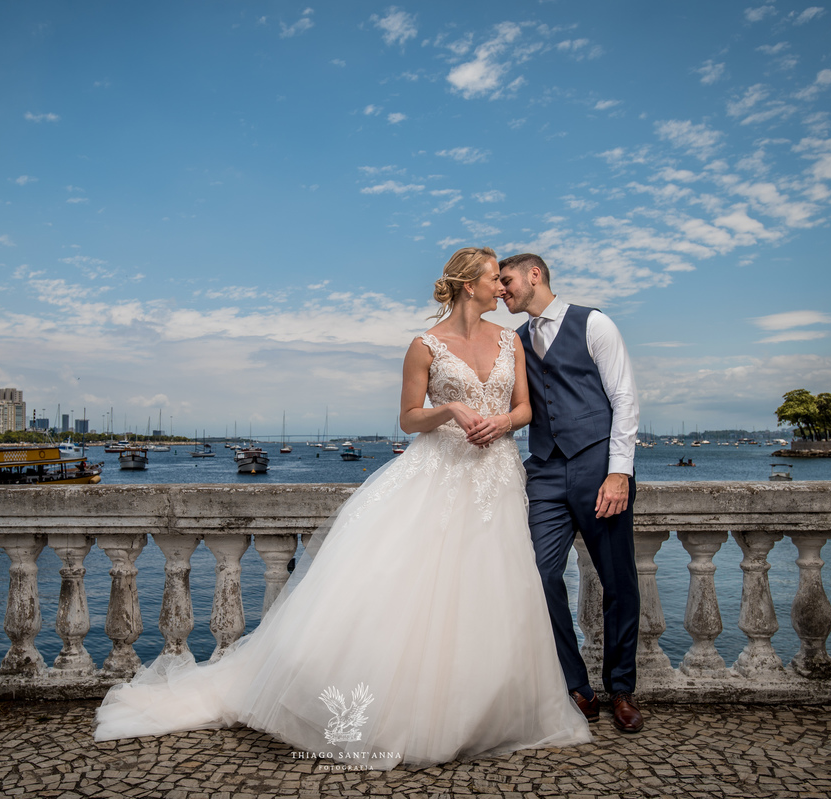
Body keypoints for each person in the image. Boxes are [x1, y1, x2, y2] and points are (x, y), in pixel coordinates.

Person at [93, 247, 590, 769]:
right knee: (420, 594)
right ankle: (414, 713)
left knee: (496, 589)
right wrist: (451, 409)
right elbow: (408, 419)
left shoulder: (509, 340)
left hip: (497, 477)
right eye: (495, 278)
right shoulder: (425, 347)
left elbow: (525, 408)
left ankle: (491, 710)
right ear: (471, 285)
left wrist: (503, 424)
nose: (502, 288)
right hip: (438, 473)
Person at [497, 253, 644, 733]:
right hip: (543, 470)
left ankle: (621, 689)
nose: (502, 290)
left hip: (598, 466)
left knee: (617, 581)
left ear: (533, 274)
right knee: (538, 575)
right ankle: (577, 685)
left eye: (507, 280)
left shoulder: (594, 323)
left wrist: (619, 472)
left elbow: (624, 397)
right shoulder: (516, 342)